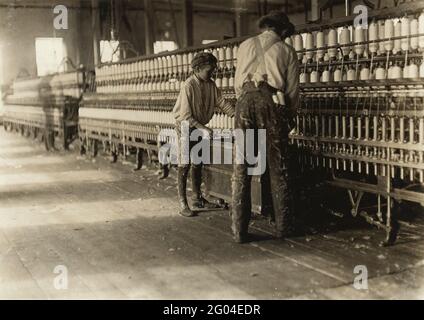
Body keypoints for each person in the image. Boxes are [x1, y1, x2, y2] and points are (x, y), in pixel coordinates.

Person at [232, 11, 300, 243]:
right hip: (270, 104)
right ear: (282, 31)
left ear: (265, 28)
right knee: (277, 166)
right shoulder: (287, 51)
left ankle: (239, 231)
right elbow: (291, 92)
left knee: (242, 167)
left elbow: (236, 85)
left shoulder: (244, 45)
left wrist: (246, 103)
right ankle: (283, 229)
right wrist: (289, 117)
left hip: (244, 103)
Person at [173, 52, 235, 217]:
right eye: (209, 70)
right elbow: (185, 116)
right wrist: (203, 128)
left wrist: (236, 116)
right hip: (185, 127)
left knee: (198, 161)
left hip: (199, 126)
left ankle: (197, 198)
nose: (212, 74)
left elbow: (221, 102)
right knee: (184, 163)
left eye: (213, 70)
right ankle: (183, 203)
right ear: (198, 69)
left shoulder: (210, 84)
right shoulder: (188, 86)